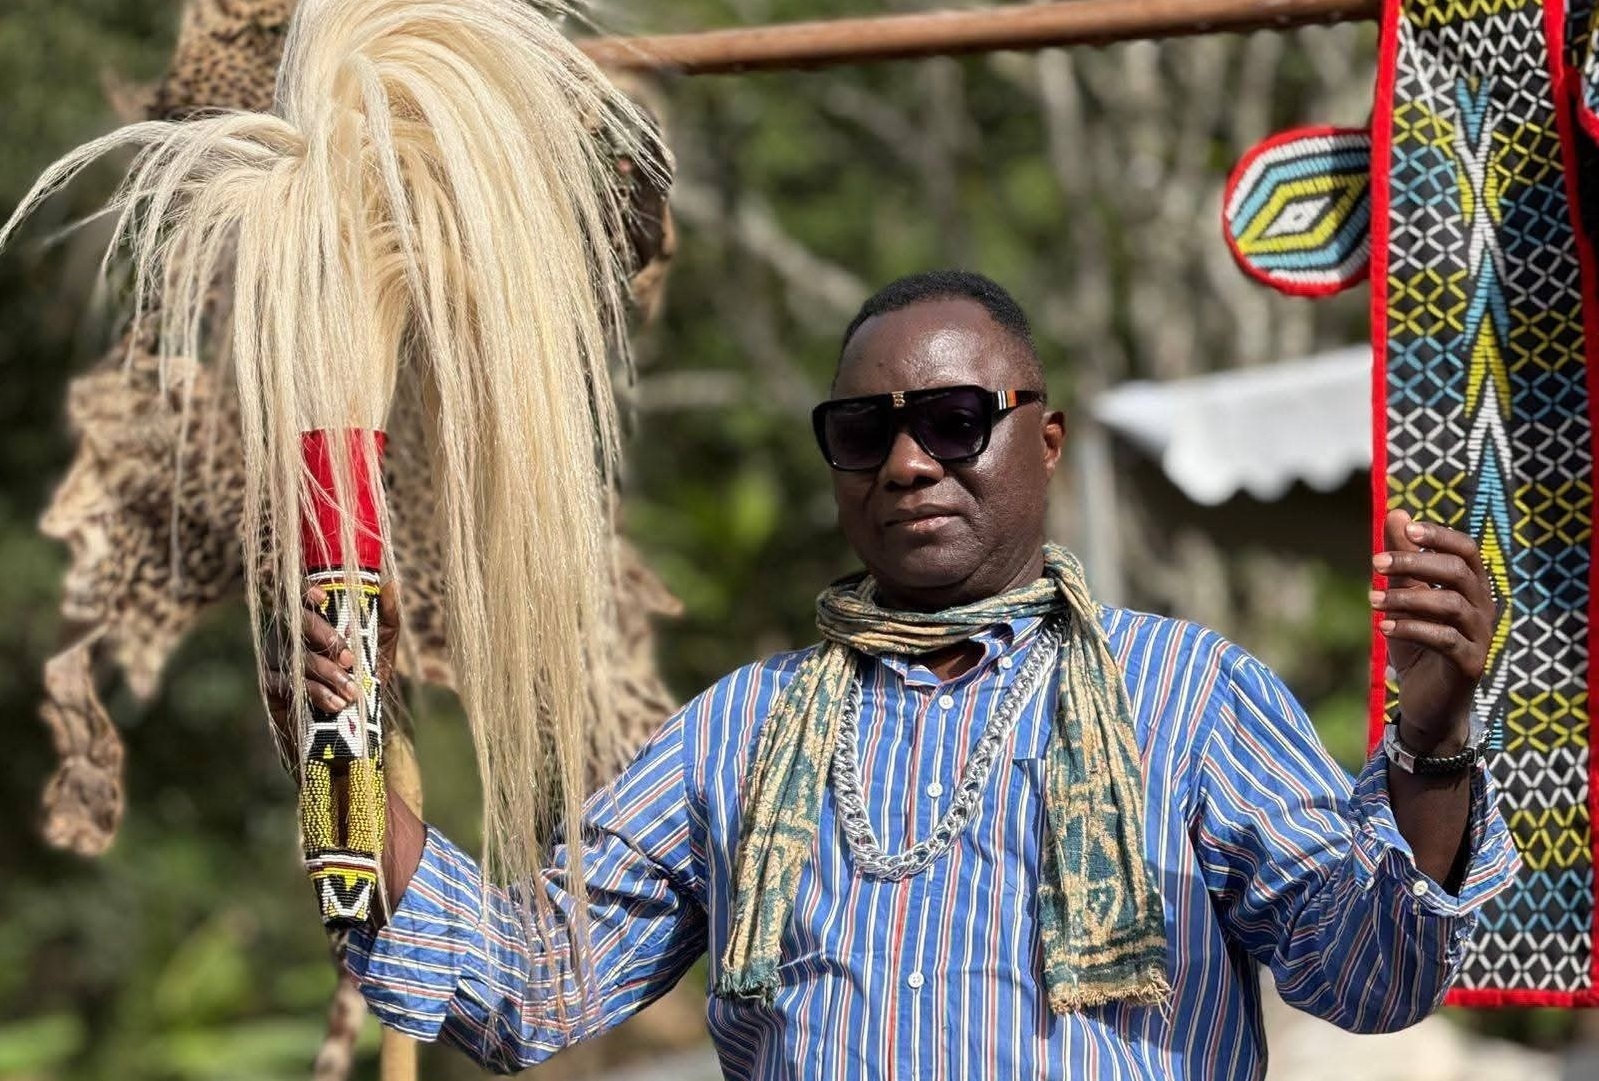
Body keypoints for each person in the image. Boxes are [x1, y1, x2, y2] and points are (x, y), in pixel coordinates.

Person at [268, 270, 1517, 1079]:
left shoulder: (1190, 696)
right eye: (865, 433)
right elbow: (521, 989)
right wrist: (341, 757)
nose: (910, 463)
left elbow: (1374, 974)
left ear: (1045, 439)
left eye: (956, 420)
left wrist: (1434, 740)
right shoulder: (740, 730)